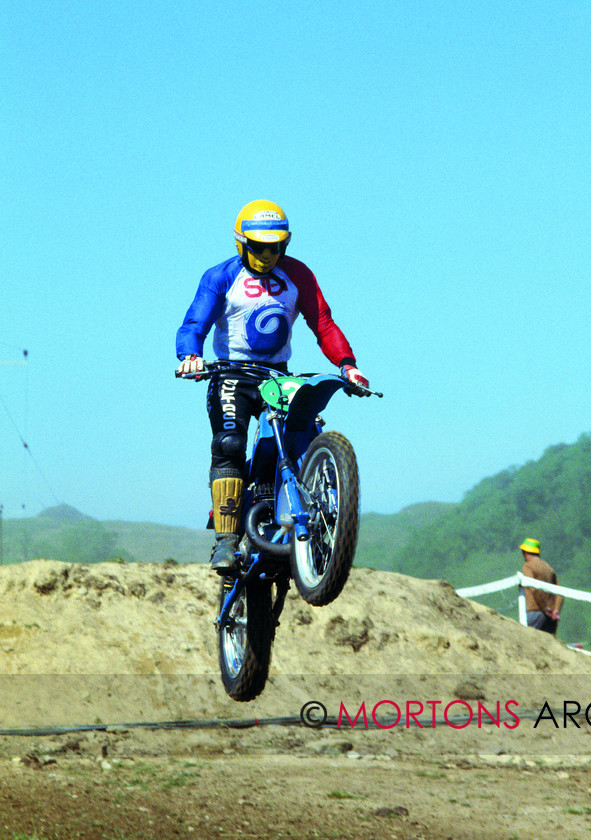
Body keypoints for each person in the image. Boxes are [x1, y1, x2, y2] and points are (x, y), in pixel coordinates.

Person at [176, 199, 369, 571]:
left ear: (287, 242)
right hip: (229, 374)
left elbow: (323, 323)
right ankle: (226, 542)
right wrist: (190, 355)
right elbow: (194, 322)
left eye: (275, 246)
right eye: (258, 247)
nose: (267, 254)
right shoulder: (219, 276)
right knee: (229, 442)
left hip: (279, 376)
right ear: (240, 243)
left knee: (301, 436)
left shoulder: (299, 275)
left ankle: (311, 522)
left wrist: (347, 364)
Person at [520, 538, 564, 634]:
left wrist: (545, 609)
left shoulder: (527, 566)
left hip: (536, 610)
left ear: (526, 552)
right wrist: (556, 610)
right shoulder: (549, 568)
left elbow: (533, 588)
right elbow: (560, 592)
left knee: (528, 640)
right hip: (551, 616)